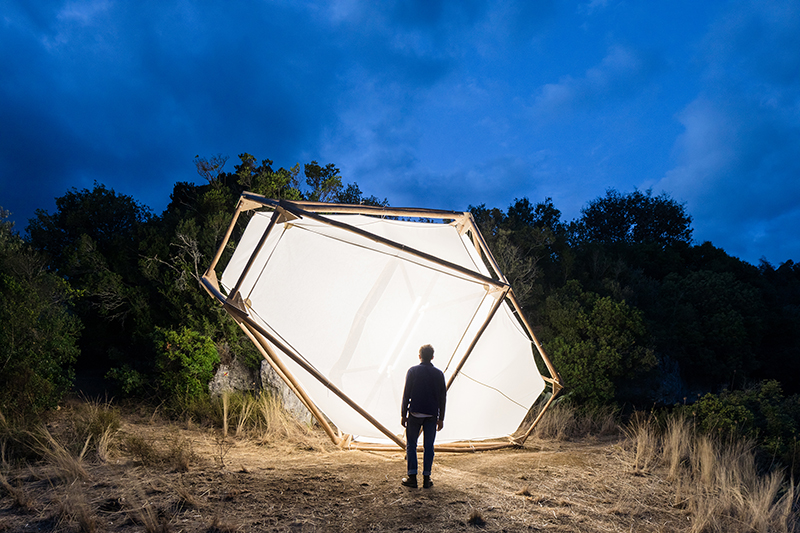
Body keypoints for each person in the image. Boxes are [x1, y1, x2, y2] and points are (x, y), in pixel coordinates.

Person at [400, 344, 446, 489]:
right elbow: (442, 398)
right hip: (432, 415)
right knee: (428, 446)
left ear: (419, 356)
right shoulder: (439, 374)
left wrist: (403, 414)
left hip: (415, 413)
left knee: (411, 445)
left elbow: (406, 394)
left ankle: (412, 477)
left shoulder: (413, 371)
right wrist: (441, 418)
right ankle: (427, 478)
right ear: (432, 357)